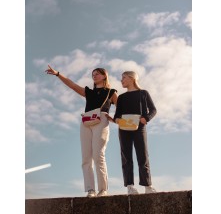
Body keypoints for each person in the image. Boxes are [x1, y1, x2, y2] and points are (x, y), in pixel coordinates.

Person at [45, 65, 118, 197]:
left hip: (101, 120)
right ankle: (91, 190)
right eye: (93, 74)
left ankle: (103, 189)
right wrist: (57, 74)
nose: (94, 75)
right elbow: (72, 85)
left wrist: (115, 119)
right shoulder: (88, 92)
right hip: (86, 121)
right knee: (86, 158)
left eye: (97, 73)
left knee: (98, 155)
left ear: (104, 76)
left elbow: (122, 107)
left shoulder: (111, 92)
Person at [113, 71, 157, 195]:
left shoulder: (143, 93)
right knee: (126, 157)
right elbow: (117, 115)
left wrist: (146, 118)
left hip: (140, 127)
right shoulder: (121, 97)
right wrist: (117, 120)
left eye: (124, 78)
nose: (121, 80)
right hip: (124, 129)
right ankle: (130, 186)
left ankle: (147, 186)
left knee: (143, 156)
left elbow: (153, 110)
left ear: (132, 78)